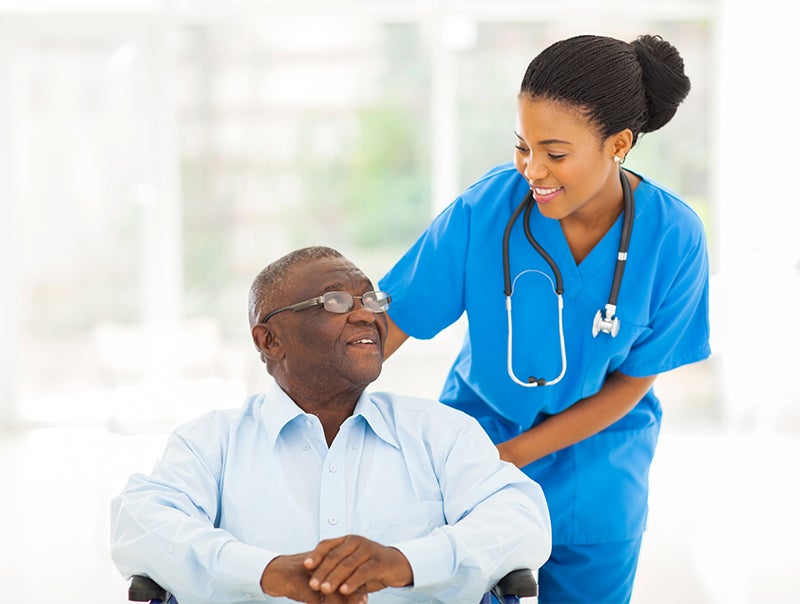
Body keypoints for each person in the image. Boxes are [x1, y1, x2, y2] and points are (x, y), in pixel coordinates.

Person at [378, 34, 710, 603]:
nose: (533, 170)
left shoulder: (673, 237)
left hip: (598, 469)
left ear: (619, 144)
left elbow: (633, 381)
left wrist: (514, 456)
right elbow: (389, 325)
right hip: (477, 452)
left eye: (555, 153)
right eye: (522, 146)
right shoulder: (485, 212)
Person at [110, 246, 551, 604]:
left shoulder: (440, 432)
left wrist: (403, 563)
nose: (367, 315)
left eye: (372, 299)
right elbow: (141, 523)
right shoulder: (210, 442)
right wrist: (267, 573)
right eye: (336, 301)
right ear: (270, 340)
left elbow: (520, 520)